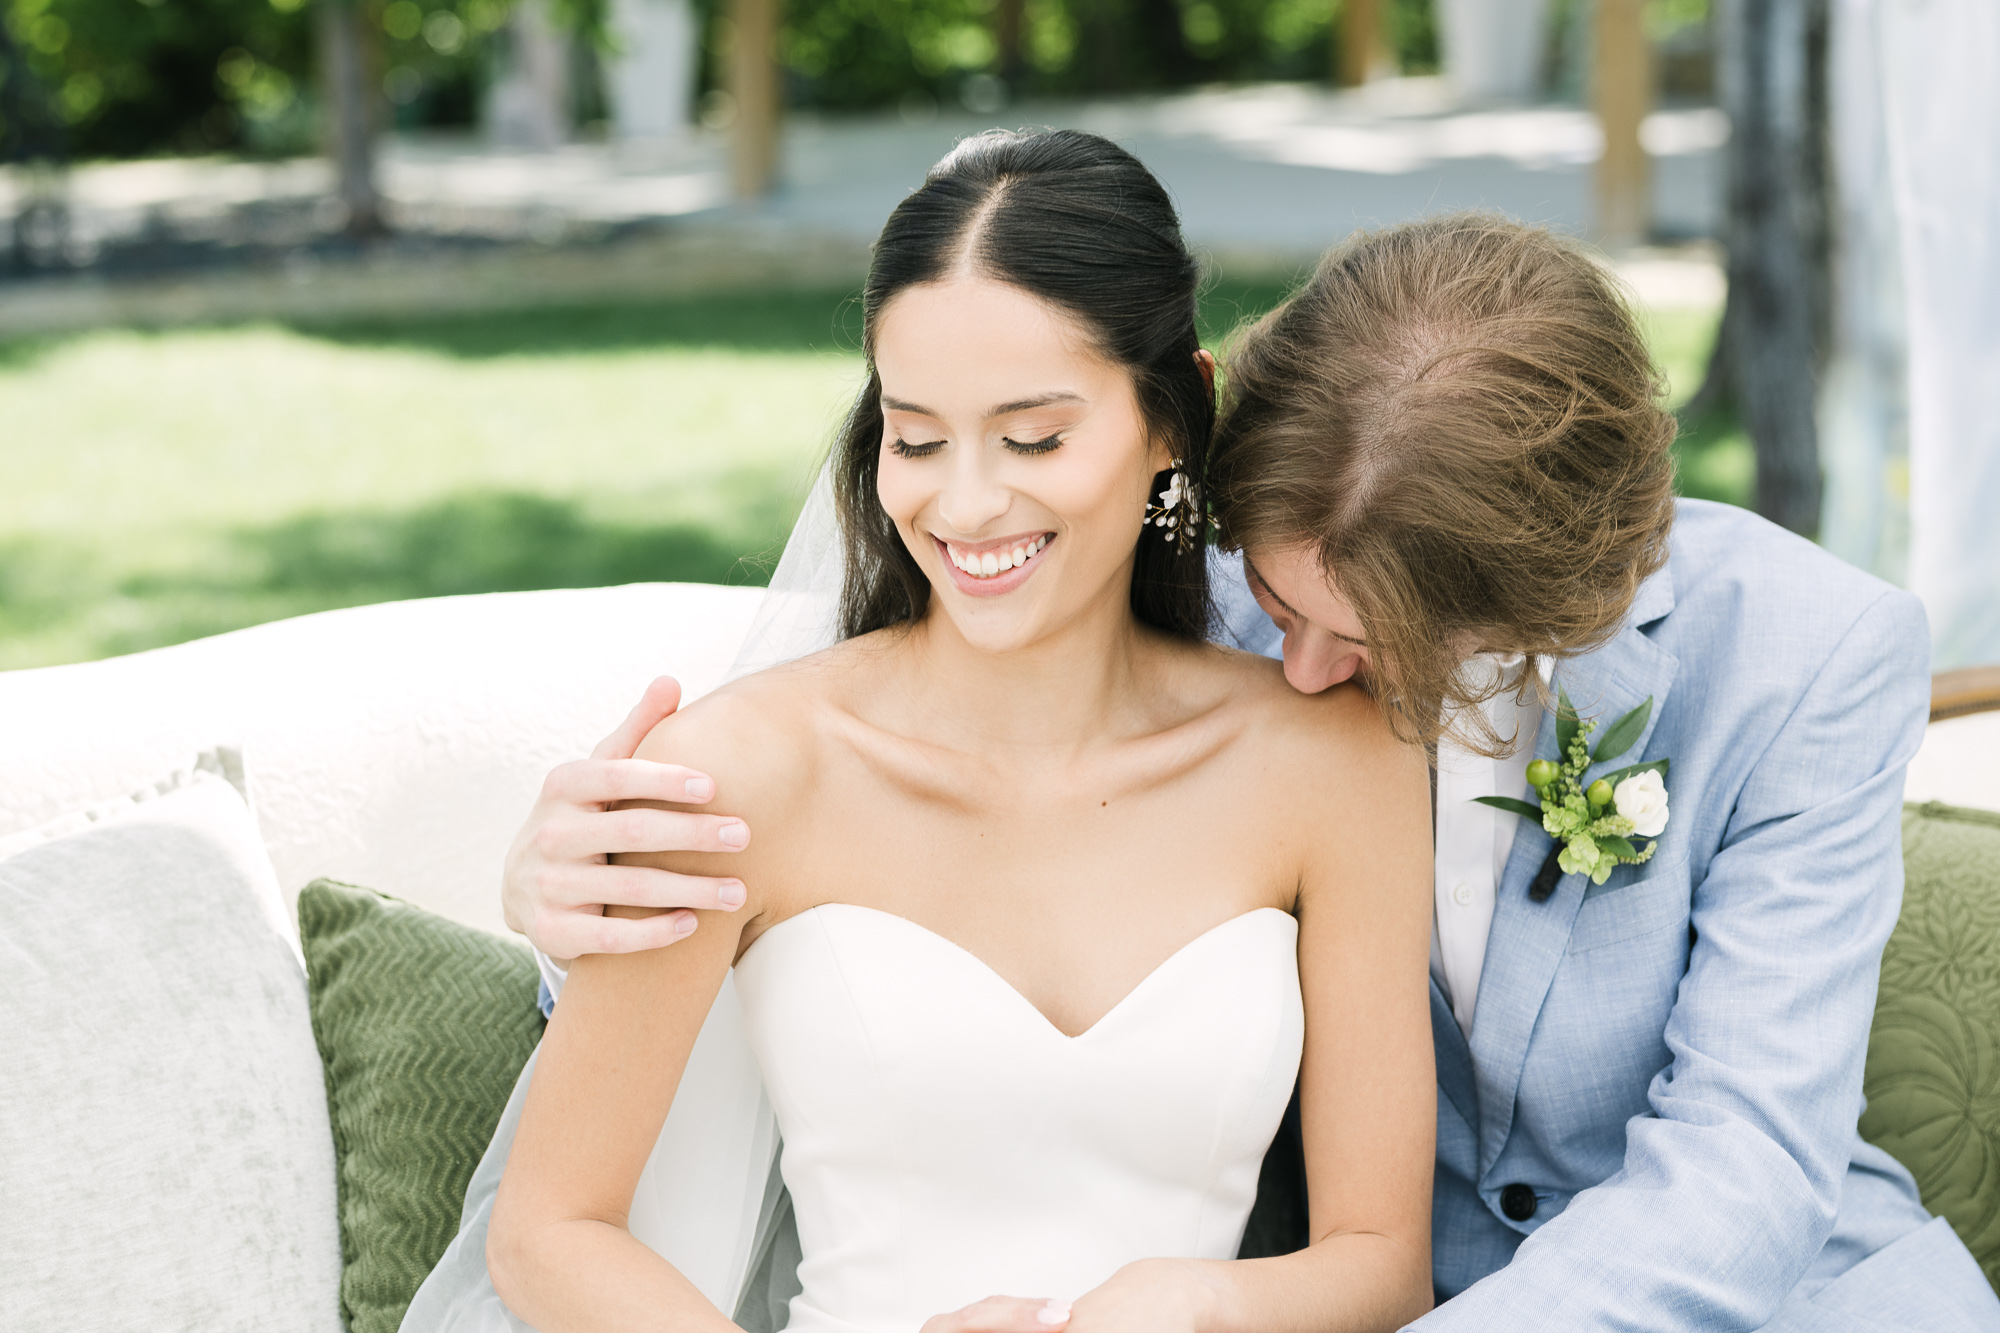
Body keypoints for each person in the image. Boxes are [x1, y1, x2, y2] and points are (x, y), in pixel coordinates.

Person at [495, 208, 2000, 1330]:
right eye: (1279, 608)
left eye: (1366, 644)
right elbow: (863, 812)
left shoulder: (1811, 657)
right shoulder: (1205, 591)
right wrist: (581, 893)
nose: (1298, 675)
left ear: (1559, 600)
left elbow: (1741, 1168)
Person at [474, 128, 1438, 1333]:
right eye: (916, 438)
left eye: (1033, 438)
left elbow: (1379, 1259)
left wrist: (1162, 1309)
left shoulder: (1334, 766)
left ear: (1168, 423)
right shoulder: (739, 774)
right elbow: (550, 1230)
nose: (966, 502)